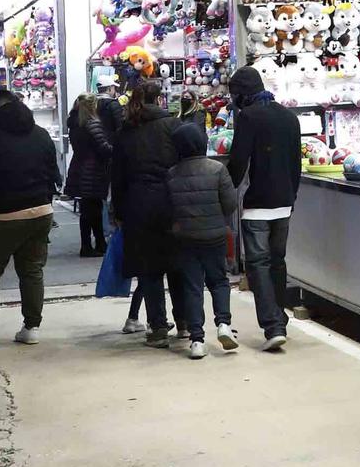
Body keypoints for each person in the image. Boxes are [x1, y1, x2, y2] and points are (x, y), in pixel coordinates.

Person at [0, 88, 62, 353]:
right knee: (31, 269)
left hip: (0, 215)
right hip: (40, 212)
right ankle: (31, 328)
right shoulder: (40, 134)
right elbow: (54, 175)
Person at [225, 66, 302, 351]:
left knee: (258, 264)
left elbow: (238, 161)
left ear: (242, 94)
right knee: (277, 262)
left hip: (258, 203)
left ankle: (273, 325)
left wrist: (227, 189)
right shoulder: (289, 117)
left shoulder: (249, 117)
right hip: (284, 202)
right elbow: (296, 163)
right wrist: (292, 196)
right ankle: (279, 315)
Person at [110, 79, 181, 347]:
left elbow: (117, 176)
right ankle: (184, 323)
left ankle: (158, 328)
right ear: (160, 99)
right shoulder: (173, 126)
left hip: (137, 204)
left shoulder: (126, 131)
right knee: (176, 265)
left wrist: (117, 210)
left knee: (149, 269)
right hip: (171, 200)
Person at [167, 120, 240, 359]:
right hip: (215, 235)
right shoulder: (217, 169)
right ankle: (224, 325)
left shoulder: (171, 174)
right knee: (218, 281)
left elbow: (169, 210)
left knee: (192, 286)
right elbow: (230, 204)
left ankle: (197, 340)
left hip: (185, 238)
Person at [64, 93, 114, 257]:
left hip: (79, 168)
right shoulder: (93, 124)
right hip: (93, 171)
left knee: (87, 210)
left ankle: (90, 244)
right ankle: (96, 244)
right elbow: (104, 148)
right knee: (95, 209)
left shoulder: (75, 124)